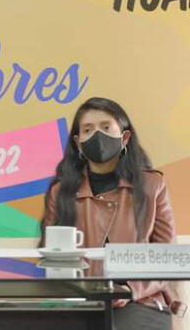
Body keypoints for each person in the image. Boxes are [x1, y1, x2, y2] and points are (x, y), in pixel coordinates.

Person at [41, 97, 181, 330]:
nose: (97, 135)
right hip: (80, 301)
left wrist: (129, 290)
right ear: (78, 142)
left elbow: (167, 260)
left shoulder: (152, 185)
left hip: (141, 300)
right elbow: (53, 257)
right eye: (88, 130)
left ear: (124, 137)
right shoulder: (61, 191)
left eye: (106, 127)